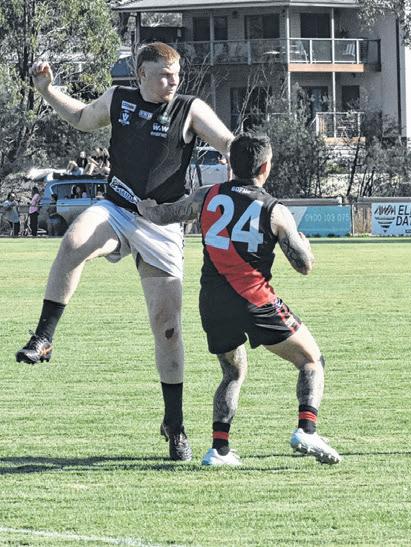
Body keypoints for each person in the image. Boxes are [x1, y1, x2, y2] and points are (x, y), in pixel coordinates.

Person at [17, 42, 234, 461]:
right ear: (142, 76)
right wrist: (47, 91)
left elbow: (228, 142)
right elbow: (83, 118)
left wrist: (245, 164)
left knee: (167, 329)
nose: (173, 81)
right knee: (73, 242)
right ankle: (44, 337)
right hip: (117, 209)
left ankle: (175, 424)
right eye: (164, 75)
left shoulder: (189, 108)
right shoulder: (119, 98)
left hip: (163, 224)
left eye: (176, 74)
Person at [137, 133, 341, 466]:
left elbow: (162, 215)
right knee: (312, 361)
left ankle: (219, 450)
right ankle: (307, 429)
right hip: (254, 299)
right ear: (265, 167)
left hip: (213, 304)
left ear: (231, 165)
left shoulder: (206, 196)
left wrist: (142, 204)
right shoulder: (275, 210)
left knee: (232, 373)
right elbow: (304, 266)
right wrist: (305, 246)